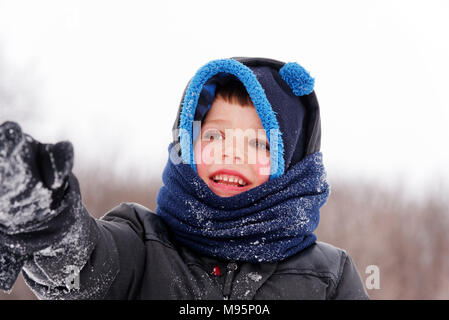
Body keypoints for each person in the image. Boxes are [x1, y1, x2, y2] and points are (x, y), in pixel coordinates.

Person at [0, 57, 369, 299]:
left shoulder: (329, 276)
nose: (231, 152)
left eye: (259, 143)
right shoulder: (141, 245)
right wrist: (46, 218)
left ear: (294, 168)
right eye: (214, 136)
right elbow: (84, 265)